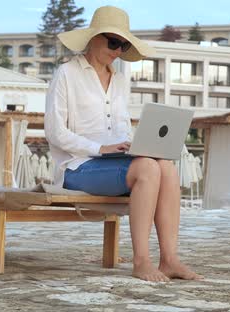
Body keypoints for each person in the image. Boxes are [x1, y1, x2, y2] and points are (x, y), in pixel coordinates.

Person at [45, 6, 201, 282]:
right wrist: (99, 148)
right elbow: (55, 132)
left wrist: (130, 144)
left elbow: (120, 126)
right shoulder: (66, 74)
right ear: (93, 38)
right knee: (148, 170)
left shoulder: (118, 80)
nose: (118, 50)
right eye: (113, 42)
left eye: (124, 45)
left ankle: (169, 260)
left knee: (165, 166)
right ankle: (141, 261)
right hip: (77, 167)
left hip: (113, 163)